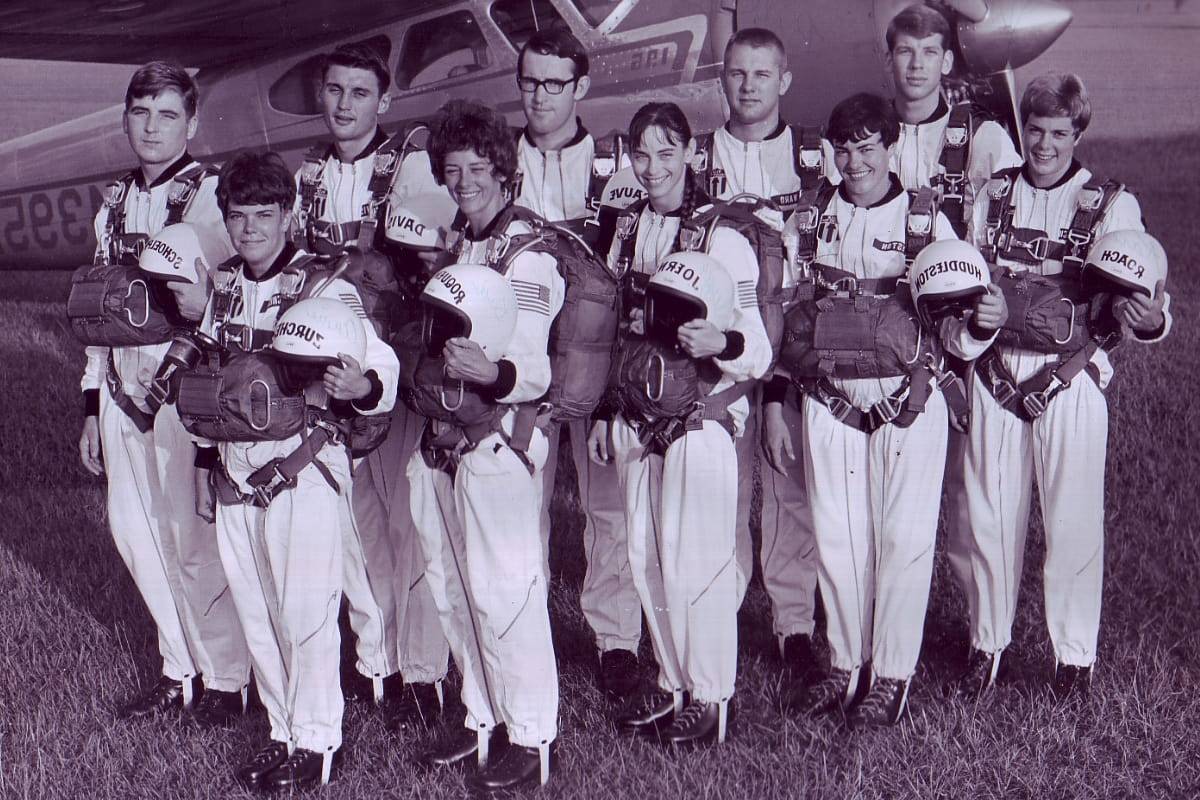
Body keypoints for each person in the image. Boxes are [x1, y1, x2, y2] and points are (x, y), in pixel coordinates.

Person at [769, 93, 1004, 729]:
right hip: (828, 400)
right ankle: (845, 665)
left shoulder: (928, 223)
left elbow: (957, 335)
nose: (854, 161)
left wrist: (982, 327)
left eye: (867, 147)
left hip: (908, 398)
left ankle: (892, 674)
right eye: (843, 149)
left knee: (902, 537)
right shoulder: (809, 221)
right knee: (837, 538)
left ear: (891, 146)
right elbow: (783, 322)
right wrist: (773, 400)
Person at [954, 73, 1171, 699]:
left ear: (1078, 133)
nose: (1045, 145)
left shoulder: (1109, 202)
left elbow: (1150, 294)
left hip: (1070, 377)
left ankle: (1073, 655)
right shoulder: (989, 194)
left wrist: (1151, 320)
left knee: (1071, 518)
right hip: (995, 374)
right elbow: (964, 274)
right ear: (1023, 129)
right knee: (989, 517)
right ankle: (985, 645)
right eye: (1036, 132)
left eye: (1059, 133)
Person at [187, 150, 398, 791]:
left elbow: (381, 366)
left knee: (305, 611)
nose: (250, 229)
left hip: (302, 467)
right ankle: (282, 730)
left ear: (290, 215)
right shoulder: (222, 291)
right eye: (238, 215)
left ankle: (317, 741)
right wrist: (203, 462)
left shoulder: (325, 288)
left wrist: (362, 383)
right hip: (232, 469)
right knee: (256, 610)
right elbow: (210, 380)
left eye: (264, 215)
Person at [590, 102, 772, 746]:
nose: (654, 168)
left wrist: (717, 341)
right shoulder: (629, 228)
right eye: (641, 156)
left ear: (693, 155)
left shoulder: (723, 236)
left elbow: (758, 346)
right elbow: (615, 334)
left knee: (696, 560)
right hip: (639, 413)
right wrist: (609, 407)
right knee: (645, 557)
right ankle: (672, 682)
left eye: (667, 154)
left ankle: (714, 694)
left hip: (703, 416)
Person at [75, 60, 250, 725]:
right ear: (125, 117)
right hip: (121, 386)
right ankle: (180, 669)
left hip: (182, 391)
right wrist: (91, 403)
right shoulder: (114, 204)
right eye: (141, 113)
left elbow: (224, 303)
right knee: (134, 535)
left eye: (167, 114)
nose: (152, 128)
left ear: (193, 122)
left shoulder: (208, 197)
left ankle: (229, 678)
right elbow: (99, 312)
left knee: (190, 538)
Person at [403, 99, 564, 792]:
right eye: (452, 168)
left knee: (508, 591)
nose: (464, 179)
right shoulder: (464, 242)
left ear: (505, 169)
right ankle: (482, 713)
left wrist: (491, 374)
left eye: (478, 167)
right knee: (449, 582)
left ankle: (531, 737)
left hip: (500, 440)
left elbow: (535, 365)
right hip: (443, 435)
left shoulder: (529, 253)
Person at [295, 42, 451, 726]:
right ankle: (375, 662)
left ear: (383, 100)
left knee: (406, 518)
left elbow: (443, 267)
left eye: (360, 92)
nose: (344, 104)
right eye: (334, 90)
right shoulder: (307, 175)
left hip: (392, 367)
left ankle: (423, 672)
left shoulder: (410, 165)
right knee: (353, 522)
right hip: (327, 370)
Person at [513, 27, 642, 699]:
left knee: (608, 505)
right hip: (523, 365)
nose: (539, 96)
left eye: (553, 83)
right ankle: (524, 627)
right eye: (529, 81)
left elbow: (627, 282)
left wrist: (617, 389)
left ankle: (616, 640)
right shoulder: (497, 162)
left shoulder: (615, 168)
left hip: (594, 364)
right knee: (519, 500)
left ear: (581, 87)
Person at [695, 26, 824, 688]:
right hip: (715, 352)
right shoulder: (695, 158)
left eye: (761, 75)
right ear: (722, 76)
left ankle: (794, 626)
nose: (748, 86)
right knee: (719, 488)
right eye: (737, 74)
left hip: (790, 347)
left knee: (786, 486)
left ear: (784, 81)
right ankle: (717, 615)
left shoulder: (812, 159)